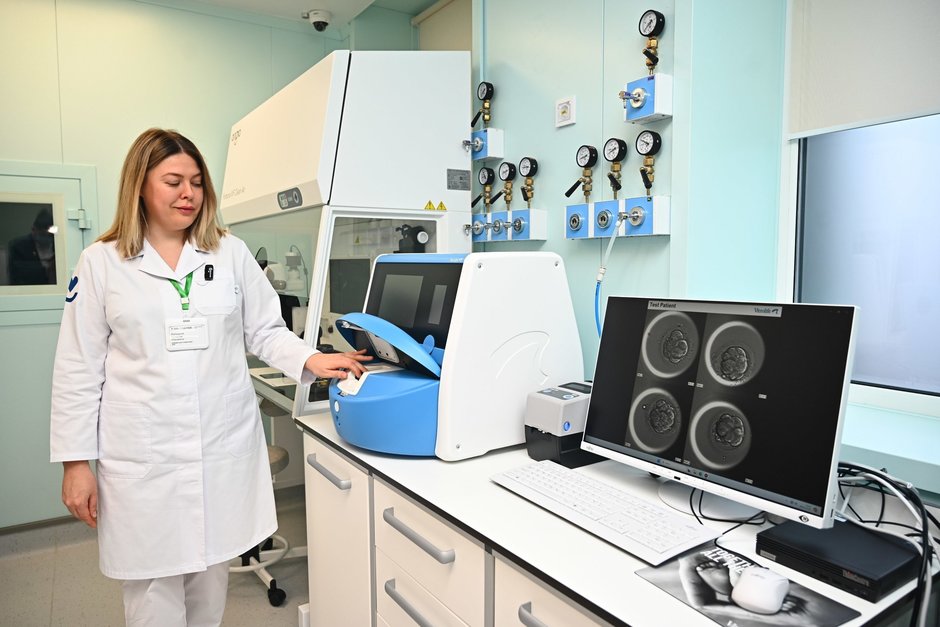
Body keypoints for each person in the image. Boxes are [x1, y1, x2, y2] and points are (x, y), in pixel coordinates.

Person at [49, 128, 370, 626]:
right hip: (144, 459)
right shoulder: (102, 263)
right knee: (153, 595)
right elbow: (77, 367)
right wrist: (75, 463)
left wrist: (311, 359)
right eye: (173, 181)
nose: (189, 194)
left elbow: (265, 330)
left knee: (209, 587)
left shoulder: (229, 253)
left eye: (197, 182)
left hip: (217, 452)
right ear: (140, 186)